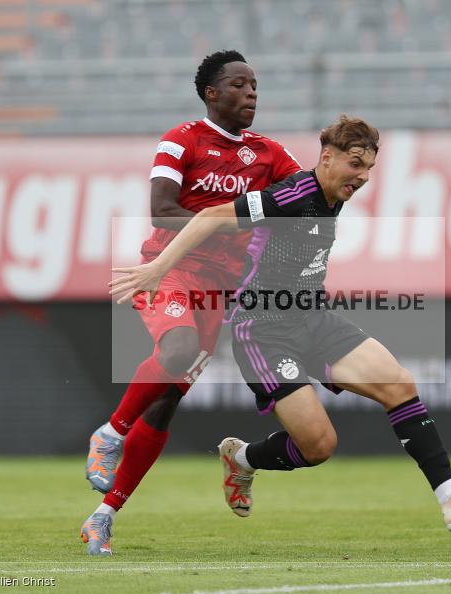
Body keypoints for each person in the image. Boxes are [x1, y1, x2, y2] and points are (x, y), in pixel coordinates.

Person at [109, 115, 451, 537]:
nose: (363, 176)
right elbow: (211, 218)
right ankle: (242, 459)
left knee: (398, 383)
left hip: (313, 317)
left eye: (369, 168)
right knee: (319, 446)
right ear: (327, 158)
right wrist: (157, 270)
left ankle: (450, 495)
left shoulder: (336, 193)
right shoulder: (292, 195)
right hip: (262, 331)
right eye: (355, 164)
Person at [81, 50, 301, 556]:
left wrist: (336, 177)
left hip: (222, 289)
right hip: (170, 267)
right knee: (177, 350)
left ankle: (103, 516)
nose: (252, 93)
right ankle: (109, 434)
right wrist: (234, 221)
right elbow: (160, 207)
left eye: (255, 86)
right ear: (212, 93)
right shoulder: (181, 140)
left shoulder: (267, 152)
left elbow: (301, 193)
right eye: (240, 85)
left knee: (166, 403)